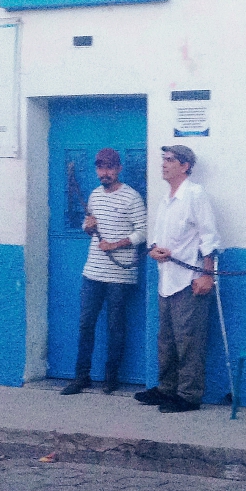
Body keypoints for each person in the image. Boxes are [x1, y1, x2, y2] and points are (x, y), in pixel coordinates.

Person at [134, 144, 220, 413]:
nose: (164, 164)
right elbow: (157, 239)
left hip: (189, 280)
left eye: (170, 160)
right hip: (166, 279)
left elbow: (210, 237)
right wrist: (154, 251)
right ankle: (166, 388)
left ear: (185, 166)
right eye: (164, 159)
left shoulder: (195, 195)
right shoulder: (165, 199)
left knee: (189, 340)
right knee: (166, 339)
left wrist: (207, 275)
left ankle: (188, 396)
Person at [60, 148, 147, 396]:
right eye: (100, 168)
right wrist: (87, 227)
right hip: (93, 271)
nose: (104, 172)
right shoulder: (95, 195)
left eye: (109, 167)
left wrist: (116, 244)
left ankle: (111, 378)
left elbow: (143, 231)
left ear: (118, 168)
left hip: (120, 275)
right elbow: (90, 226)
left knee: (115, 326)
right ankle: (81, 377)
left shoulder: (132, 198)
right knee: (86, 323)